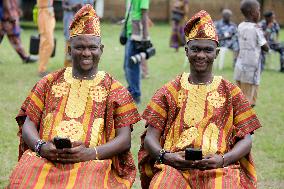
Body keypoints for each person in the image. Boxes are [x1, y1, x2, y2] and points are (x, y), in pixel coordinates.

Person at [7, 5, 141, 188]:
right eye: (80, 47)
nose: (86, 53)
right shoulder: (48, 82)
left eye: (92, 47)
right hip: (46, 157)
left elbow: (124, 140)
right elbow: (29, 124)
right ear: (70, 49)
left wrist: (90, 153)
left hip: (93, 162)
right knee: (22, 180)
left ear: (101, 49)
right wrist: (42, 147)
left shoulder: (115, 89)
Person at [138, 10, 261, 189]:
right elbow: (150, 138)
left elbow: (246, 140)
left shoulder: (231, 92)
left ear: (216, 53)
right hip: (175, 166)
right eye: (195, 49)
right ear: (186, 51)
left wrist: (223, 159)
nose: (201, 55)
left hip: (220, 167)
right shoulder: (169, 90)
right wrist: (166, 157)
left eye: (207, 50)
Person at [234, 0, 269, 107]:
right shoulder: (256, 28)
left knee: (240, 96)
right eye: (258, 10)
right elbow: (266, 47)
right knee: (249, 101)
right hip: (251, 69)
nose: (260, 12)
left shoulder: (240, 26)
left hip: (239, 67)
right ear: (253, 13)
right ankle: (244, 121)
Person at [124, 0, 151, 104]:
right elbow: (131, 13)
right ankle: (131, 90)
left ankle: (135, 94)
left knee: (132, 65)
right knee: (126, 66)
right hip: (130, 32)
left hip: (137, 35)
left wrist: (145, 38)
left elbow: (144, 15)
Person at [62, 0, 95, 67]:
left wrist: (83, 8)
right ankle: (68, 67)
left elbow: (91, 8)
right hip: (70, 20)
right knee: (70, 43)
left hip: (83, 22)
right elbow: (63, 6)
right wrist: (72, 7)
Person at [37, 0, 56, 77]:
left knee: (45, 42)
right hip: (44, 12)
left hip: (48, 11)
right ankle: (42, 69)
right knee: (48, 43)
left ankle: (42, 68)